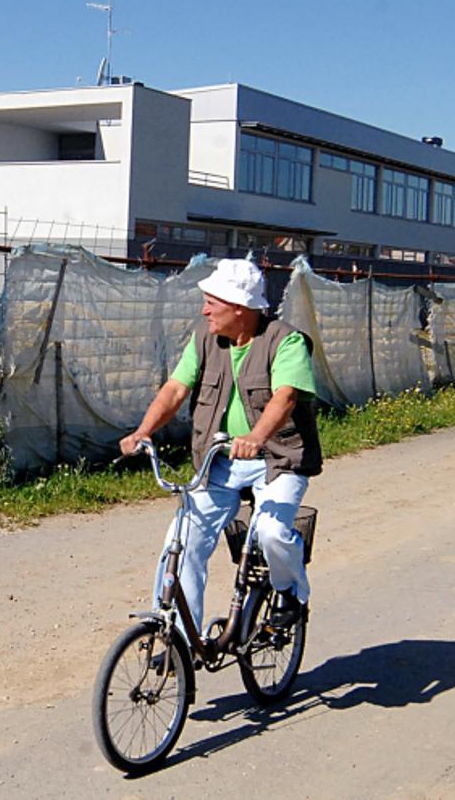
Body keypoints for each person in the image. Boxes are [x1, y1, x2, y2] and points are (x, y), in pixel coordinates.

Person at [120, 258, 322, 631]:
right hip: (219, 463)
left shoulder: (285, 340)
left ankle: (289, 590)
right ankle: (178, 639)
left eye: (213, 301)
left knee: (272, 532)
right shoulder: (204, 339)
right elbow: (175, 389)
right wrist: (143, 431)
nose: (204, 309)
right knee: (181, 542)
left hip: (277, 459)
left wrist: (256, 437)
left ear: (240, 307)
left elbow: (286, 397)